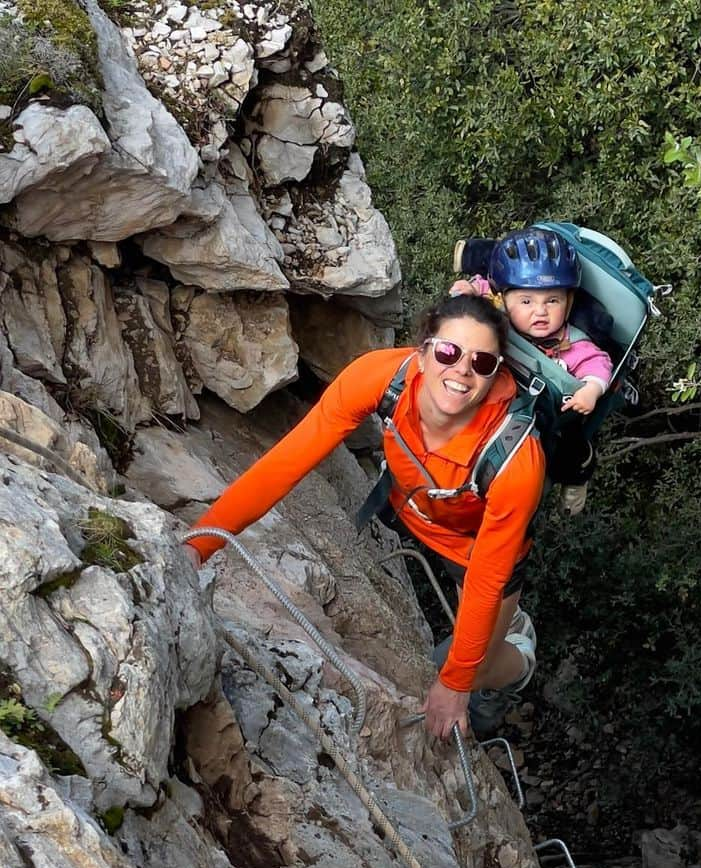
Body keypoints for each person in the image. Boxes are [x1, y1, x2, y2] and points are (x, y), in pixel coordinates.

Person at [184, 293, 545, 741]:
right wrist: (199, 545)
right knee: (458, 659)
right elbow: (284, 465)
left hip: (477, 551)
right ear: (424, 348)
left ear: (495, 374)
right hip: (416, 513)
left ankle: (520, 659)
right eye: (449, 352)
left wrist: (454, 684)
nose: (462, 371)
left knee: (476, 667)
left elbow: (488, 578)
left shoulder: (516, 460)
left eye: (482, 362)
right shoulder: (379, 377)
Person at [451, 227, 613, 513]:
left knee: (570, 450)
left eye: (553, 301)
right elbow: (485, 288)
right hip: (500, 398)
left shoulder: (573, 343)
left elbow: (599, 364)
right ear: (504, 299)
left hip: (546, 419)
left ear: (569, 302)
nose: (540, 311)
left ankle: (576, 478)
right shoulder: (498, 306)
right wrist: (471, 290)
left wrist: (591, 389)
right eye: (526, 301)